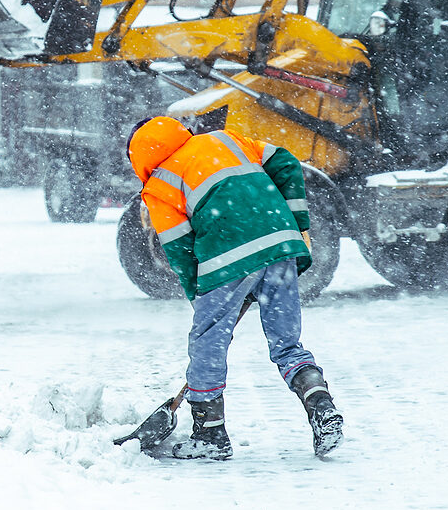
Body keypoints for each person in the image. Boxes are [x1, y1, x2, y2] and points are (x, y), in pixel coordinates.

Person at [126, 116, 343, 459]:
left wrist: (200, 297)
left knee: (207, 341)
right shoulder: (225, 140)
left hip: (226, 257)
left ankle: (210, 435)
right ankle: (321, 405)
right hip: (281, 245)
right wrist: (297, 224)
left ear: (138, 157)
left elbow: (180, 251)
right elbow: (286, 161)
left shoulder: (159, 184)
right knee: (286, 343)